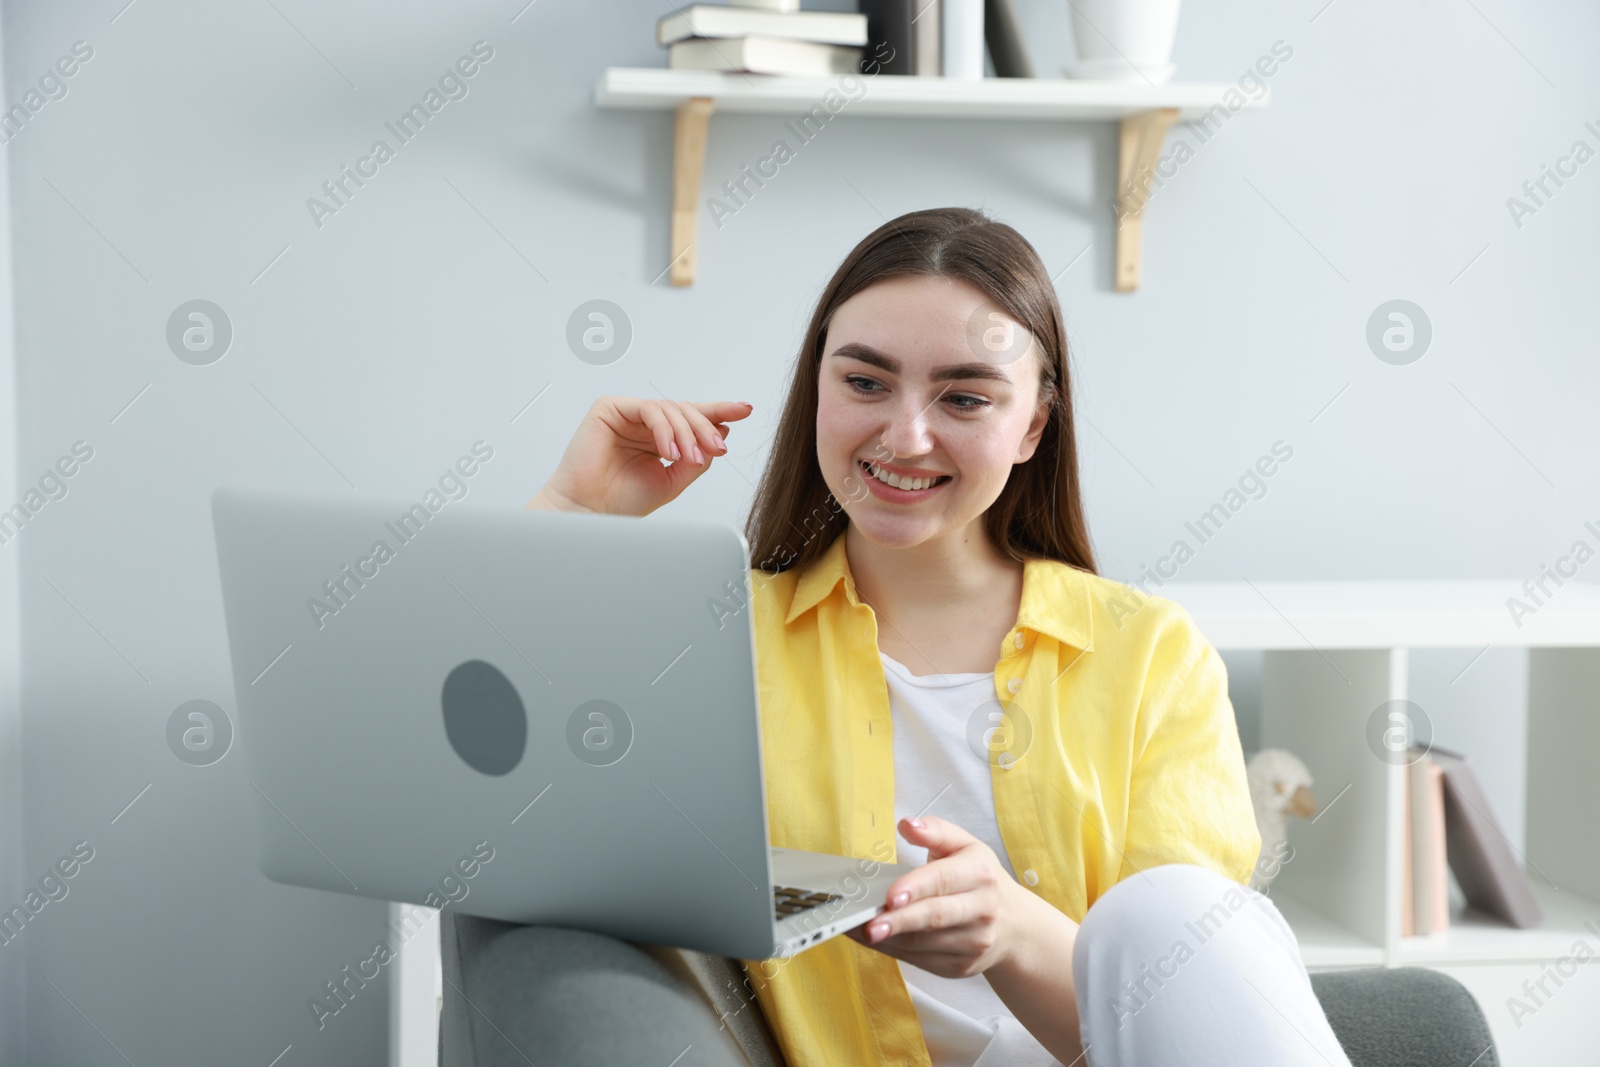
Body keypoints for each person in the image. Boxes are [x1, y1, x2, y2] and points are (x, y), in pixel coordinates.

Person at [452, 207, 1352, 1066]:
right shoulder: (714, 639)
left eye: (964, 397)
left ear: (1032, 425)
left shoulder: (1151, 652)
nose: (905, 435)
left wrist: (1011, 930)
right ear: (818, 388)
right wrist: (570, 517)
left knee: (1172, 915)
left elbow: (1183, 1013)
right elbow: (483, 794)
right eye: (864, 382)